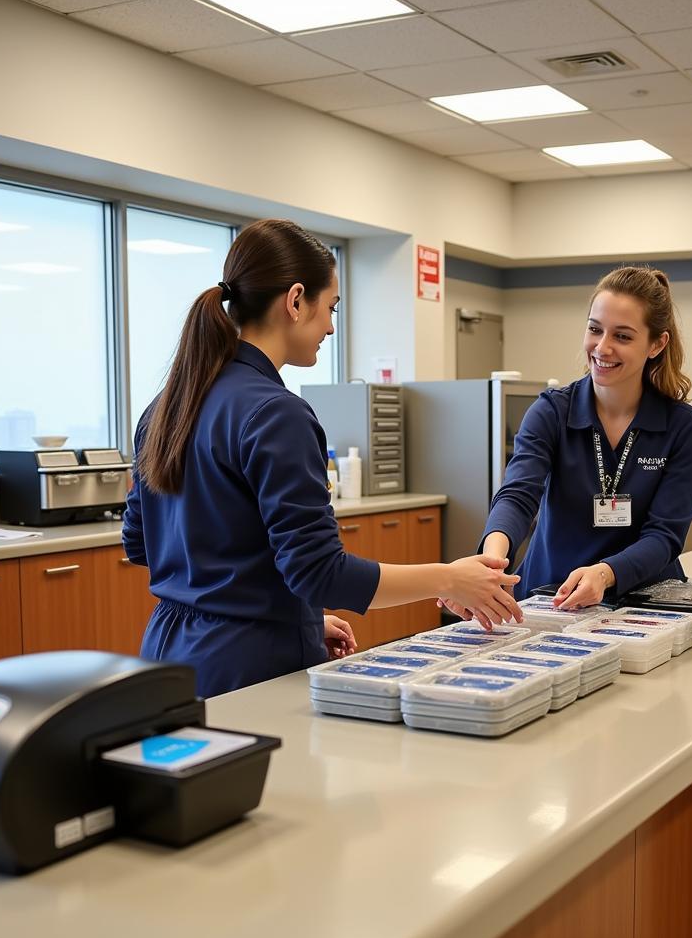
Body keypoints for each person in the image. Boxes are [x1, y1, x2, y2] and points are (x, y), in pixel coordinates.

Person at [122, 220, 521, 698]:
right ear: (295, 301)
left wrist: (297, 617)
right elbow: (319, 572)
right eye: (330, 308)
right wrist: (450, 578)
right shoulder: (276, 413)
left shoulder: (167, 405)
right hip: (248, 667)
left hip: (168, 657)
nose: (331, 326)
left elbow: (141, 544)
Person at [443, 265, 692, 622]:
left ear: (657, 344)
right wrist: (492, 564)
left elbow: (664, 535)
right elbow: (518, 495)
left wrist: (604, 573)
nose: (602, 347)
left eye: (623, 336)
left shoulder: (682, 427)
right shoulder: (551, 411)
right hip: (549, 599)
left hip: (642, 604)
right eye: (595, 329)